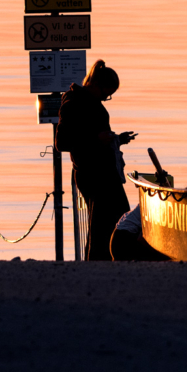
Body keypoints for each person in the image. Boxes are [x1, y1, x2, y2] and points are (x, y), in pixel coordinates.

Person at [56, 59, 136, 260]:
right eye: (107, 94)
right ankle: (97, 262)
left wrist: (118, 139)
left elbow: (96, 137)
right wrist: (96, 139)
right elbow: (62, 142)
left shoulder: (91, 103)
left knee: (114, 218)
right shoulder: (73, 103)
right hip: (92, 174)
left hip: (106, 173)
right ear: (96, 84)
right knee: (102, 224)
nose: (107, 98)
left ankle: (110, 259)